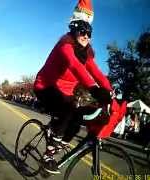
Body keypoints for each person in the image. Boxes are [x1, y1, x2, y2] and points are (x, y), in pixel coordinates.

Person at [33, 0, 113, 174]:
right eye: (82, 31)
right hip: (45, 86)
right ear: (73, 30)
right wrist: (94, 89)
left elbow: (98, 73)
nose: (86, 36)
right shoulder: (65, 43)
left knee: (76, 121)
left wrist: (110, 92)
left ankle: (55, 148)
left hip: (66, 93)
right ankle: (47, 156)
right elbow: (75, 66)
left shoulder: (88, 52)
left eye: (89, 32)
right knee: (67, 111)